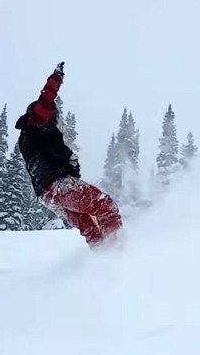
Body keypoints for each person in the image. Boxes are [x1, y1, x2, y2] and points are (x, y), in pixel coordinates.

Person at [15, 62, 123, 248]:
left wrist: (70, 163)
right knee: (105, 205)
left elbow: (50, 157)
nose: (52, 118)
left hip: (47, 196)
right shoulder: (35, 125)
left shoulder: (32, 137)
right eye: (51, 115)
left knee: (88, 225)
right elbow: (46, 101)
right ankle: (120, 250)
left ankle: (104, 258)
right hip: (57, 186)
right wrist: (56, 78)